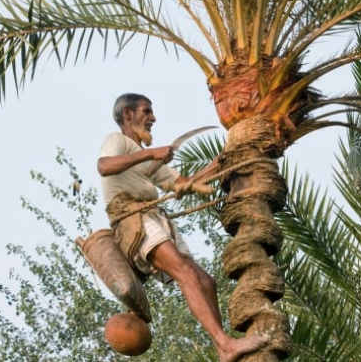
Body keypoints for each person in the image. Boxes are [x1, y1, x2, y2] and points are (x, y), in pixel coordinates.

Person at [97, 93, 267, 362]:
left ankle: (224, 348)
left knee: (206, 282)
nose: (153, 118)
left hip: (152, 217)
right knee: (186, 272)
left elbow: (184, 183)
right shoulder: (116, 140)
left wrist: (227, 156)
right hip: (131, 219)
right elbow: (104, 166)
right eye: (146, 111)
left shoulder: (145, 160)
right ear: (128, 115)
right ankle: (226, 343)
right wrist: (153, 152)